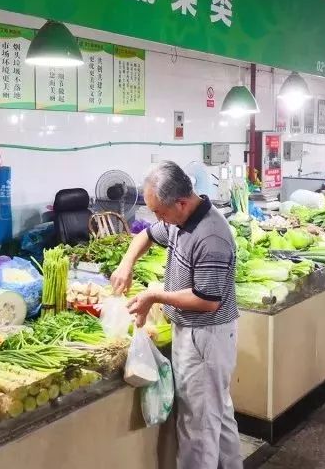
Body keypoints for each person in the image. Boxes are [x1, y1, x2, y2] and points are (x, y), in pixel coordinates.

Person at [110, 161, 242, 469]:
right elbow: (146, 236)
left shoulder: (211, 235)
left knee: (198, 425)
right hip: (195, 332)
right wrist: (125, 264)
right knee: (216, 416)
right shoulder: (180, 219)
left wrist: (154, 295)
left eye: (159, 212)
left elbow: (207, 300)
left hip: (207, 337)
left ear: (181, 203)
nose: (157, 218)